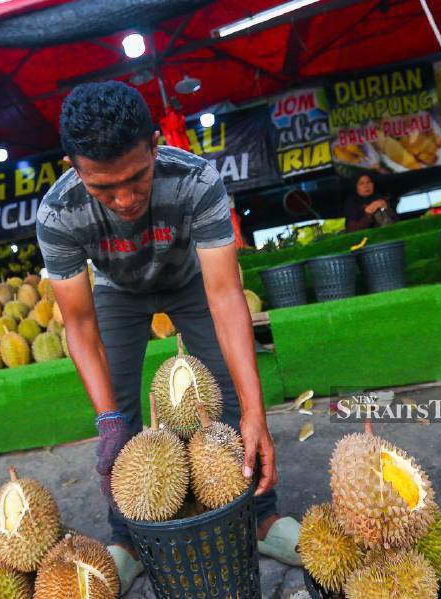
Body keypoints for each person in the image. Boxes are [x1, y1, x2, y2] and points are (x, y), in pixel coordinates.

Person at [36, 81, 301, 594]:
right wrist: (107, 417)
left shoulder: (197, 180)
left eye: (136, 177)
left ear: (155, 144)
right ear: (73, 167)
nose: (125, 198)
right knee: (121, 416)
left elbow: (226, 296)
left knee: (227, 397)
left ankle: (261, 517)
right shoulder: (58, 213)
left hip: (189, 280)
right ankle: (129, 538)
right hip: (118, 290)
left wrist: (255, 409)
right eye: (103, 188)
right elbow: (79, 324)